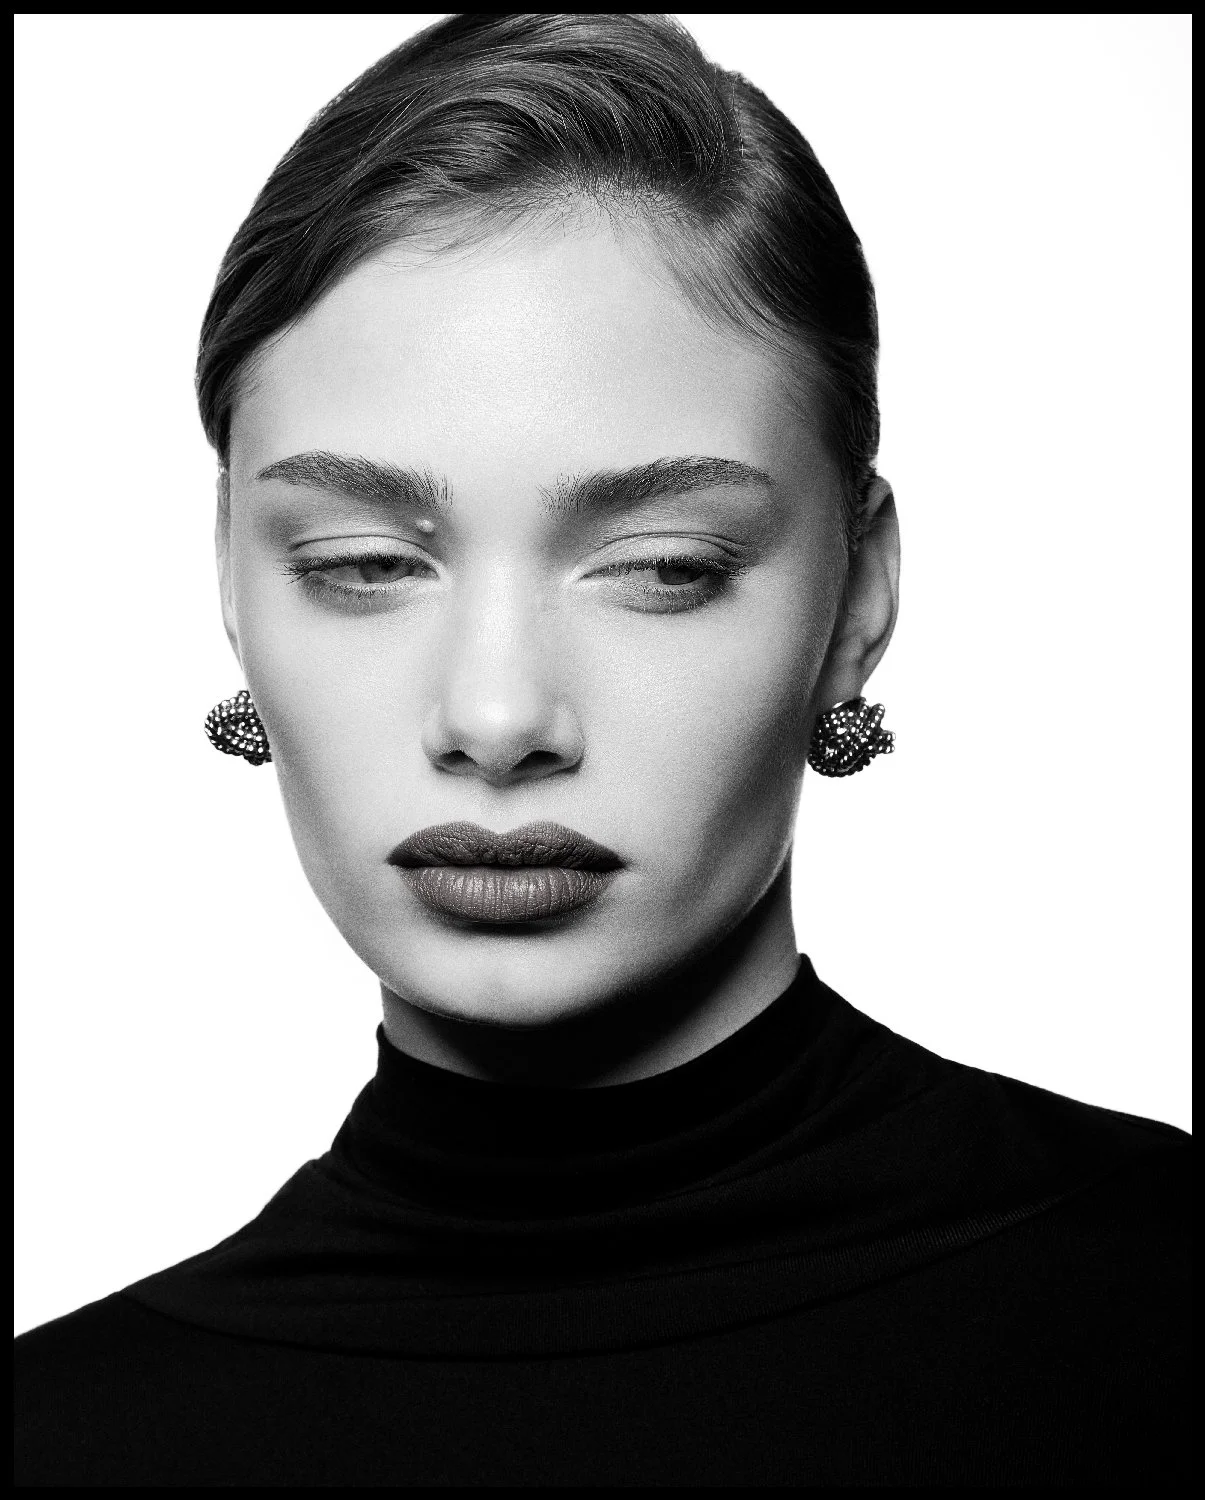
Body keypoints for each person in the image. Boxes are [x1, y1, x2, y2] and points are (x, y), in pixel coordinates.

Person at [14, 13, 1188, 1487]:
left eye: (664, 566)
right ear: (232, 591)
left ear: (858, 599)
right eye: (367, 562)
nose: (499, 720)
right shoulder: (65, 1434)